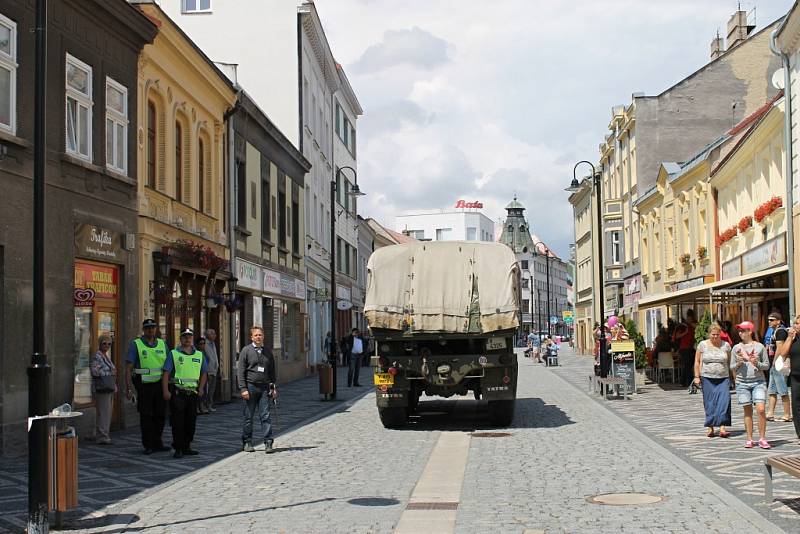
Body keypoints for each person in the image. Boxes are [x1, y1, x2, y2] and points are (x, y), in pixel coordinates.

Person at [125, 319, 170, 455]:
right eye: (148, 328)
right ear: (144, 330)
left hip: (160, 384)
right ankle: (148, 444)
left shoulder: (162, 344)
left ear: (156, 329)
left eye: (153, 328)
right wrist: (128, 388)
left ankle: (158, 442)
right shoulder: (136, 344)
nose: (151, 330)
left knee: (160, 415)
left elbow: (169, 365)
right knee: (146, 416)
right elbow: (128, 368)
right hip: (144, 385)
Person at [162, 328, 207, 458]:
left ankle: (187, 446)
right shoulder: (174, 354)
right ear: (180, 338)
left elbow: (204, 373)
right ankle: (178, 448)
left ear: (192, 338)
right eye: (185, 336)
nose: (187, 339)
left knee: (190, 422)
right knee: (178, 422)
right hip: (178, 393)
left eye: (189, 336)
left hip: (192, 394)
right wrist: (165, 391)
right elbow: (166, 373)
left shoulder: (199, 355)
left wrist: (202, 388)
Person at [730, 321, 771, 449]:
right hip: (742, 382)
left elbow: (767, 365)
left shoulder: (760, 347)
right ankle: (749, 439)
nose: (740, 333)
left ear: (750, 331)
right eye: (740, 331)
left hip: (758, 381)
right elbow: (731, 367)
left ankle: (762, 438)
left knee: (761, 409)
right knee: (747, 411)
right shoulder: (736, 348)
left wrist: (756, 363)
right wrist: (738, 363)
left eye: (743, 330)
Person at [237, 326, 277, 453]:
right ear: (251, 337)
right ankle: (247, 442)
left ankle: (268, 442)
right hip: (250, 387)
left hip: (264, 388)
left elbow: (272, 371)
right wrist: (243, 388)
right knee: (249, 416)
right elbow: (241, 371)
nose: (258, 337)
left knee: (265, 415)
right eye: (256, 335)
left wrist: (273, 387)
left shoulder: (267, 351)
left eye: (260, 335)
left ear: (263, 336)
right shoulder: (246, 351)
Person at [693, 323, 732, 438]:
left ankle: (722, 427)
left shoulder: (726, 345)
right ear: (709, 334)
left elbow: (729, 362)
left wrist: (733, 377)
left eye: (717, 335)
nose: (715, 337)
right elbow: (697, 361)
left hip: (723, 378)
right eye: (713, 334)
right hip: (707, 377)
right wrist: (696, 376)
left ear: (720, 334)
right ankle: (710, 427)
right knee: (709, 402)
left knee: (724, 402)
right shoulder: (702, 345)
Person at [776, 315, 800, 439]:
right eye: (796, 323)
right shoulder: (792, 338)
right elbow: (783, 353)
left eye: (799, 324)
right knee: (796, 407)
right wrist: (790, 338)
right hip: (796, 377)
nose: (797, 326)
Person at [765, 313, 792, 422]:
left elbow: (780, 349)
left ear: (778, 321)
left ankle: (787, 414)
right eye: (768, 319)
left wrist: (775, 362)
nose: (769, 321)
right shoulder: (774, 331)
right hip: (774, 364)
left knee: (782, 390)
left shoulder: (780, 331)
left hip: (779, 364)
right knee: (772, 389)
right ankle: (770, 412)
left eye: (772, 319)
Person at [90, 335, 117, 445]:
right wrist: (110, 373)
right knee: (104, 413)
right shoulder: (97, 356)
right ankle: (102, 436)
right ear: (100, 344)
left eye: (109, 344)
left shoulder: (105, 356)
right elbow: (95, 371)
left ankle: (102, 434)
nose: (106, 346)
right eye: (104, 343)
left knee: (107, 412)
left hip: (108, 388)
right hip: (102, 388)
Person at [675, 309, 697, 386]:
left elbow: (697, 327)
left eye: (690, 318)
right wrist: (685, 332)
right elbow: (677, 336)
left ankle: (685, 381)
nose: (689, 320)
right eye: (688, 318)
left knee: (689, 365)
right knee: (686, 365)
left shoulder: (692, 326)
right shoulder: (683, 326)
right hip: (684, 348)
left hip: (690, 348)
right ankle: (686, 381)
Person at [203, 329, 220, 413]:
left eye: (214, 333)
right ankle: (206, 405)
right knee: (207, 390)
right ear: (207, 335)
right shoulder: (205, 344)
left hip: (214, 370)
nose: (215, 335)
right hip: (208, 371)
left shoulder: (213, 344)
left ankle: (209, 405)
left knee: (211, 390)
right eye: (212, 334)